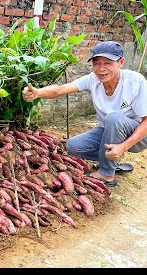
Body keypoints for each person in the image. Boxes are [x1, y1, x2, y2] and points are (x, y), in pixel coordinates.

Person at [22, 40, 147, 187]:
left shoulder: (135, 81)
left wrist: (123, 147)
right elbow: (60, 89)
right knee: (73, 146)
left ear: (121, 62)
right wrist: (38, 93)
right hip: (108, 130)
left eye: (107, 63)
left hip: (138, 136)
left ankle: (107, 173)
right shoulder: (92, 79)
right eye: (96, 63)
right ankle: (111, 160)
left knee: (113, 118)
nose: (101, 69)